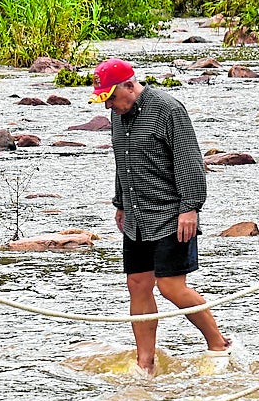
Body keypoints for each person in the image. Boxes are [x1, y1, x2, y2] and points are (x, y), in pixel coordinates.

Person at [94, 57, 232, 375]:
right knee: (138, 284)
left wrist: (190, 207)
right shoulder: (119, 115)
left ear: (130, 85)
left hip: (172, 214)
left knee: (171, 286)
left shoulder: (169, 110)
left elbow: (189, 161)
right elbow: (123, 162)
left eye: (112, 98)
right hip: (136, 216)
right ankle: (146, 363)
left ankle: (219, 344)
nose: (109, 106)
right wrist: (120, 203)